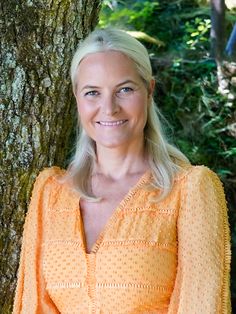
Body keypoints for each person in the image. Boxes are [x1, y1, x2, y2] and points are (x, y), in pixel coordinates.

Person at [13, 28, 231, 313]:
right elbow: (34, 307)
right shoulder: (51, 193)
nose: (109, 108)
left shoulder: (190, 190)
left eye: (125, 89)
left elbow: (203, 306)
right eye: (92, 92)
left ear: (150, 90)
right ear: (77, 99)